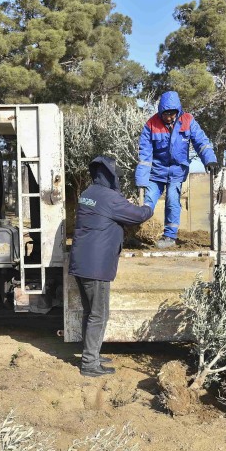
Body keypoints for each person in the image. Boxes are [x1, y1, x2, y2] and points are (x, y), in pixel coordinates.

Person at [69, 156, 153, 377]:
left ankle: (91, 354)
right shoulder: (110, 198)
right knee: (99, 314)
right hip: (96, 266)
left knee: (90, 312)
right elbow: (138, 216)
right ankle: (89, 364)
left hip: (81, 261)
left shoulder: (88, 194)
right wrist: (149, 205)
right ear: (111, 176)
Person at [135, 91, 219, 249]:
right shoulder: (151, 124)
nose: (169, 117)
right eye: (166, 114)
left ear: (178, 111)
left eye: (172, 114)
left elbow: (201, 142)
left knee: (173, 201)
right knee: (148, 202)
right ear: (161, 111)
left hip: (177, 171)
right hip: (156, 172)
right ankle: (139, 232)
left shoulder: (188, 120)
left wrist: (210, 159)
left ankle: (169, 236)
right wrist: (141, 179)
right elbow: (145, 154)